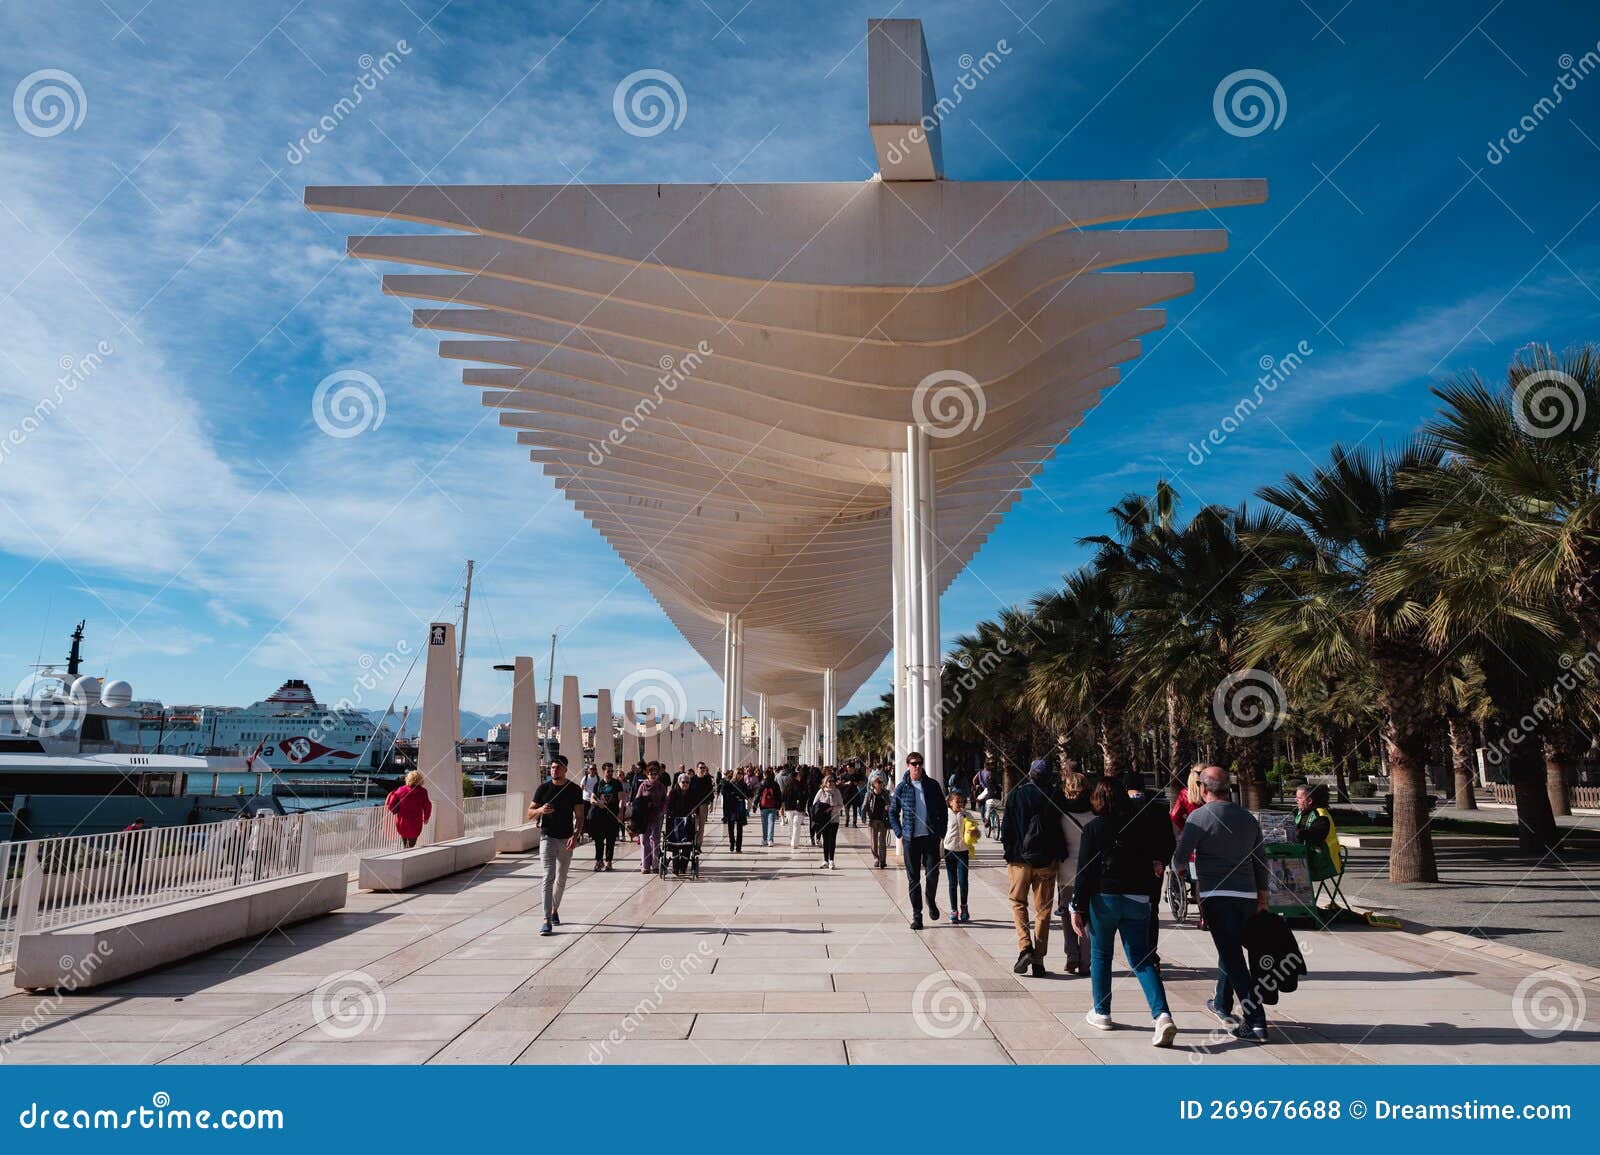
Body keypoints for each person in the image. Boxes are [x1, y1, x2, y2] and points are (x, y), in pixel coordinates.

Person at [1071, 779, 1177, 1046]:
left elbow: (1084, 872)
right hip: (1138, 897)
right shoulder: (1140, 826)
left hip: (1104, 898)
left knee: (1101, 955)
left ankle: (1102, 1011)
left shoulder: (1093, 829)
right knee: (1142, 959)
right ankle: (1162, 1015)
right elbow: (1158, 855)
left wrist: (1078, 907)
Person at [1171, 765, 1270, 1043]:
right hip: (1247, 895)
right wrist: (1262, 896)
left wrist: (1178, 869)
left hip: (1216, 895)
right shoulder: (1248, 819)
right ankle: (1221, 1003)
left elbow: (1180, 858)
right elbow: (1261, 860)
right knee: (1230, 951)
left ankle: (1256, 1020)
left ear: (1203, 790)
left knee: (1233, 958)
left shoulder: (1199, 818)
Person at [999, 758, 1065, 976]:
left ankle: (1025, 946)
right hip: (1046, 861)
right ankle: (1038, 960)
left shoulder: (1016, 795)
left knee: (1018, 903)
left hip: (1019, 860)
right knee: (1043, 910)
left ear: (1029, 774)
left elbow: (1006, 828)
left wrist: (1009, 853)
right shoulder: (1056, 796)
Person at [889, 751, 946, 929]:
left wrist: (941, 832)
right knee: (913, 879)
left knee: (933, 874)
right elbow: (892, 812)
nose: (917, 766)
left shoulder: (932, 785)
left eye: (920, 763)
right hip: (911, 840)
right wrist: (899, 832)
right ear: (908, 765)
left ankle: (930, 899)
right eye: (914, 763)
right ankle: (917, 916)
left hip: (930, 838)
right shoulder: (902, 787)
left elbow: (943, 810)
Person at [529, 754, 585, 936]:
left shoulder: (574, 790)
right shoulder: (543, 789)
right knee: (548, 876)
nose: (554, 770)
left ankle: (554, 910)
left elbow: (580, 816)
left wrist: (576, 835)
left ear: (565, 770)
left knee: (561, 878)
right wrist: (540, 810)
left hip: (566, 838)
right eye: (552, 767)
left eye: (558, 767)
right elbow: (529, 813)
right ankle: (546, 919)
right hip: (547, 836)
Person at [1055, 762, 1092, 975]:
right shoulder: (1095, 816)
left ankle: (1071, 956)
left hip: (1065, 871)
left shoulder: (1061, 816)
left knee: (1066, 914)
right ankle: (1086, 960)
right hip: (1088, 872)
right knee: (1086, 916)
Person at [941, 789, 981, 924]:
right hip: (949, 851)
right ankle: (954, 910)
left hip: (963, 852)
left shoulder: (967, 814)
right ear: (950, 802)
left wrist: (974, 832)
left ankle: (964, 907)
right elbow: (940, 832)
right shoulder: (945, 815)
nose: (960, 804)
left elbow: (977, 832)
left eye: (962, 802)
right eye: (957, 802)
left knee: (963, 882)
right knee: (952, 882)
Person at [1294, 783, 1342, 878]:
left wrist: (1296, 832)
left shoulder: (1321, 815)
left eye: (1299, 798)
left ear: (1310, 800)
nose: (1296, 800)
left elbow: (1316, 836)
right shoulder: (1302, 813)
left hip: (1324, 863)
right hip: (1310, 859)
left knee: (1286, 868)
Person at [632, 763, 668, 875]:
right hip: (644, 817)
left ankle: (655, 864)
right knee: (644, 840)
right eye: (651, 774)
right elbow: (637, 800)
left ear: (658, 775)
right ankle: (645, 865)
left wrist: (663, 811)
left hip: (657, 816)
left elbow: (665, 800)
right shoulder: (642, 786)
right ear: (647, 774)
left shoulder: (661, 786)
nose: (653, 776)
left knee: (655, 840)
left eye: (655, 774)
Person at [589, 763, 623, 871]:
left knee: (611, 839)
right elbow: (592, 799)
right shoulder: (598, 784)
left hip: (612, 816)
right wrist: (597, 803)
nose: (610, 773)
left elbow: (621, 799)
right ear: (603, 771)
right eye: (608, 771)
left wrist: (620, 813)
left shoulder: (617, 783)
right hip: (599, 817)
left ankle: (609, 862)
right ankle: (599, 861)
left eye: (611, 771)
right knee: (599, 840)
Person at [385, 769, 432, 849]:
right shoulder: (422, 792)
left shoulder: (401, 790)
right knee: (412, 844)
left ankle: (404, 850)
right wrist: (426, 818)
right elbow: (427, 806)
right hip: (415, 822)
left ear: (408, 779)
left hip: (401, 822)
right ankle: (408, 853)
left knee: (404, 841)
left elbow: (392, 803)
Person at [665, 772, 699, 876]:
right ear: (679, 782)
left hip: (687, 822)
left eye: (687, 782)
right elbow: (669, 806)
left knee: (687, 845)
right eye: (683, 782)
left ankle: (683, 867)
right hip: (675, 822)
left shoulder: (692, 793)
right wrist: (671, 814)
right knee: (675, 844)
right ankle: (675, 867)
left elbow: (695, 806)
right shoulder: (673, 793)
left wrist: (694, 811)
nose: (685, 784)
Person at [811, 772, 844, 869]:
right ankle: (825, 860)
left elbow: (841, 805)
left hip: (834, 819)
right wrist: (823, 808)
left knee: (832, 840)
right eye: (829, 781)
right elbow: (815, 805)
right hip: (824, 820)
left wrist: (832, 809)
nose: (831, 783)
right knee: (825, 840)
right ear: (825, 782)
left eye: (833, 781)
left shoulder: (837, 792)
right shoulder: (821, 792)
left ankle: (831, 860)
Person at [863, 775, 892, 868]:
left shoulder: (885, 793)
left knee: (882, 841)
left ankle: (883, 860)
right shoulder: (869, 794)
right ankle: (876, 858)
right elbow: (864, 806)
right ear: (873, 784)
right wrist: (863, 816)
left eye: (881, 782)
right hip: (873, 820)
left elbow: (890, 805)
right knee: (874, 841)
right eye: (878, 782)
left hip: (883, 820)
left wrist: (888, 808)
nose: (881, 784)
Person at [722, 770, 750, 852]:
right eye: (738, 773)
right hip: (731, 807)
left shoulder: (743, 784)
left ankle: (738, 847)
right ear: (735, 774)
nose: (740, 775)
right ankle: (732, 842)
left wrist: (748, 791)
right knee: (731, 827)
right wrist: (733, 795)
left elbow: (747, 794)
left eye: (741, 774)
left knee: (739, 828)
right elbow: (724, 792)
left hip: (740, 807)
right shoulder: (730, 783)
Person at [783, 769, 808, 849]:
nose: (800, 777)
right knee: (795, 825)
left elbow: (783, 797)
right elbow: (805, 797)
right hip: (797, 808)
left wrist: (782, 807)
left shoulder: (788, 786)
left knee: (793, 825)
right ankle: (794, 842)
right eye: (798, 776)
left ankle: (793, 841)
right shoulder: (801, 785)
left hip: (790, 808)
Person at [756, 770, 783, 846]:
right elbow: (779, 795)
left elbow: (758, 794)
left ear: (765, 775)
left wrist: (755, 805)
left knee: (764, 823)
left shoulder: (762, 783)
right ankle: (770, 840)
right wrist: (779, 805)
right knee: (771, 823)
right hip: (773, 806)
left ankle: (764, 839)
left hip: (764, 806)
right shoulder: (775, 784)